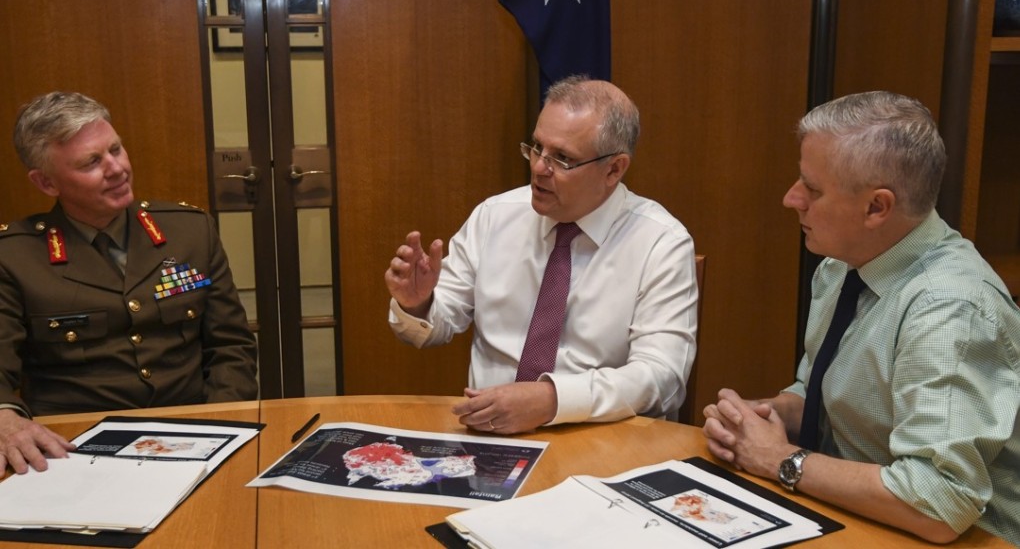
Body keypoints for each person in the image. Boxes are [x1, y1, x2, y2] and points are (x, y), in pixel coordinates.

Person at [702, 91, 1020, 545]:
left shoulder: (949, 309)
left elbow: (941, 500)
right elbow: (826, 395)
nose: (791, 199)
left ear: (877, 207)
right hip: (853, 519)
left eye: (812, 189)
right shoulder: (844, 264)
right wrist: (763, 417)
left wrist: (779, 460)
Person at [384, 76, 698, 435]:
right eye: (536, 148)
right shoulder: (495, 215)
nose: (537, 168)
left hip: (600, 439)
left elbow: (661, 377)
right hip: (489, 438)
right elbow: (436, 324)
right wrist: (418, 304)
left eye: (562, 158)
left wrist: (552, 400)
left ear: (614, 169)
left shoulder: (661, 242)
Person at [0, 91, 258, 475]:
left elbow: (231, 345)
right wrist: (6, 418)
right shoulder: (15, 256)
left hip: (195, 431)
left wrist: (222, 425)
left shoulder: (189, 230)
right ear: (47, 182)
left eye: (115, 150)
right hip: (75, 446)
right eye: (91, 162)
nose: (116, 168)